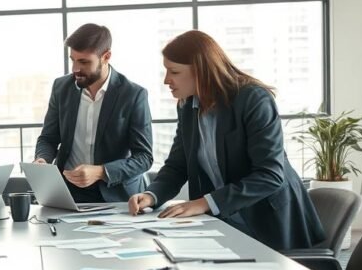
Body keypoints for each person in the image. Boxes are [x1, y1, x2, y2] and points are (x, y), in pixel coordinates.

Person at [128, 30, 325, 251]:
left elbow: (270, 174)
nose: (166, 80)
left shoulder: (253, 99)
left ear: (201, 71)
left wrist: (204, 203)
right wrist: (151, 195)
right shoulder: (187, 106)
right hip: (226, 220)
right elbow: (178, 165)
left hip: (270, 223)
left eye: (174, 71)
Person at [34, 23, 153, 203]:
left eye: (84, 62)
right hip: (67, 192)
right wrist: (42, 159)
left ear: (106, 57)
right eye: (72, 59)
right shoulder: (61, 88)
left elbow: (144, 157)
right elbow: (48, 138)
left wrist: (100, 172)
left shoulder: (133, 95)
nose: (75, 68)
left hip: (117, 195)